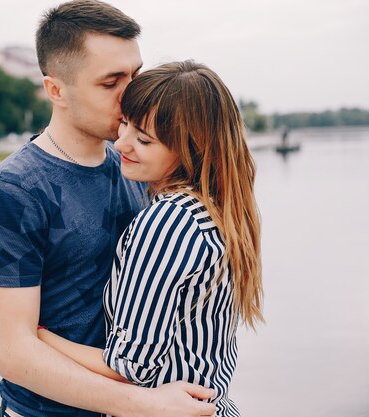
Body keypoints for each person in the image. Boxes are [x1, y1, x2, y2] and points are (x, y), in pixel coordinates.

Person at [0, 1, 216, 416]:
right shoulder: (14, 191)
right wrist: (143, 404)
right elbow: (14, 353)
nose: (134, 93)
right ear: (55, 90)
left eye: (136, 75)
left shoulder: (139, 164)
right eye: (111, 82)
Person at [37, 61, 264, 416]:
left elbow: (131, 369)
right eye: (125, 124)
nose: (122, 143)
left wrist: (41, 338)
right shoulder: (218, 210)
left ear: (190, 149)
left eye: (144, 139)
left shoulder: (168, 222)